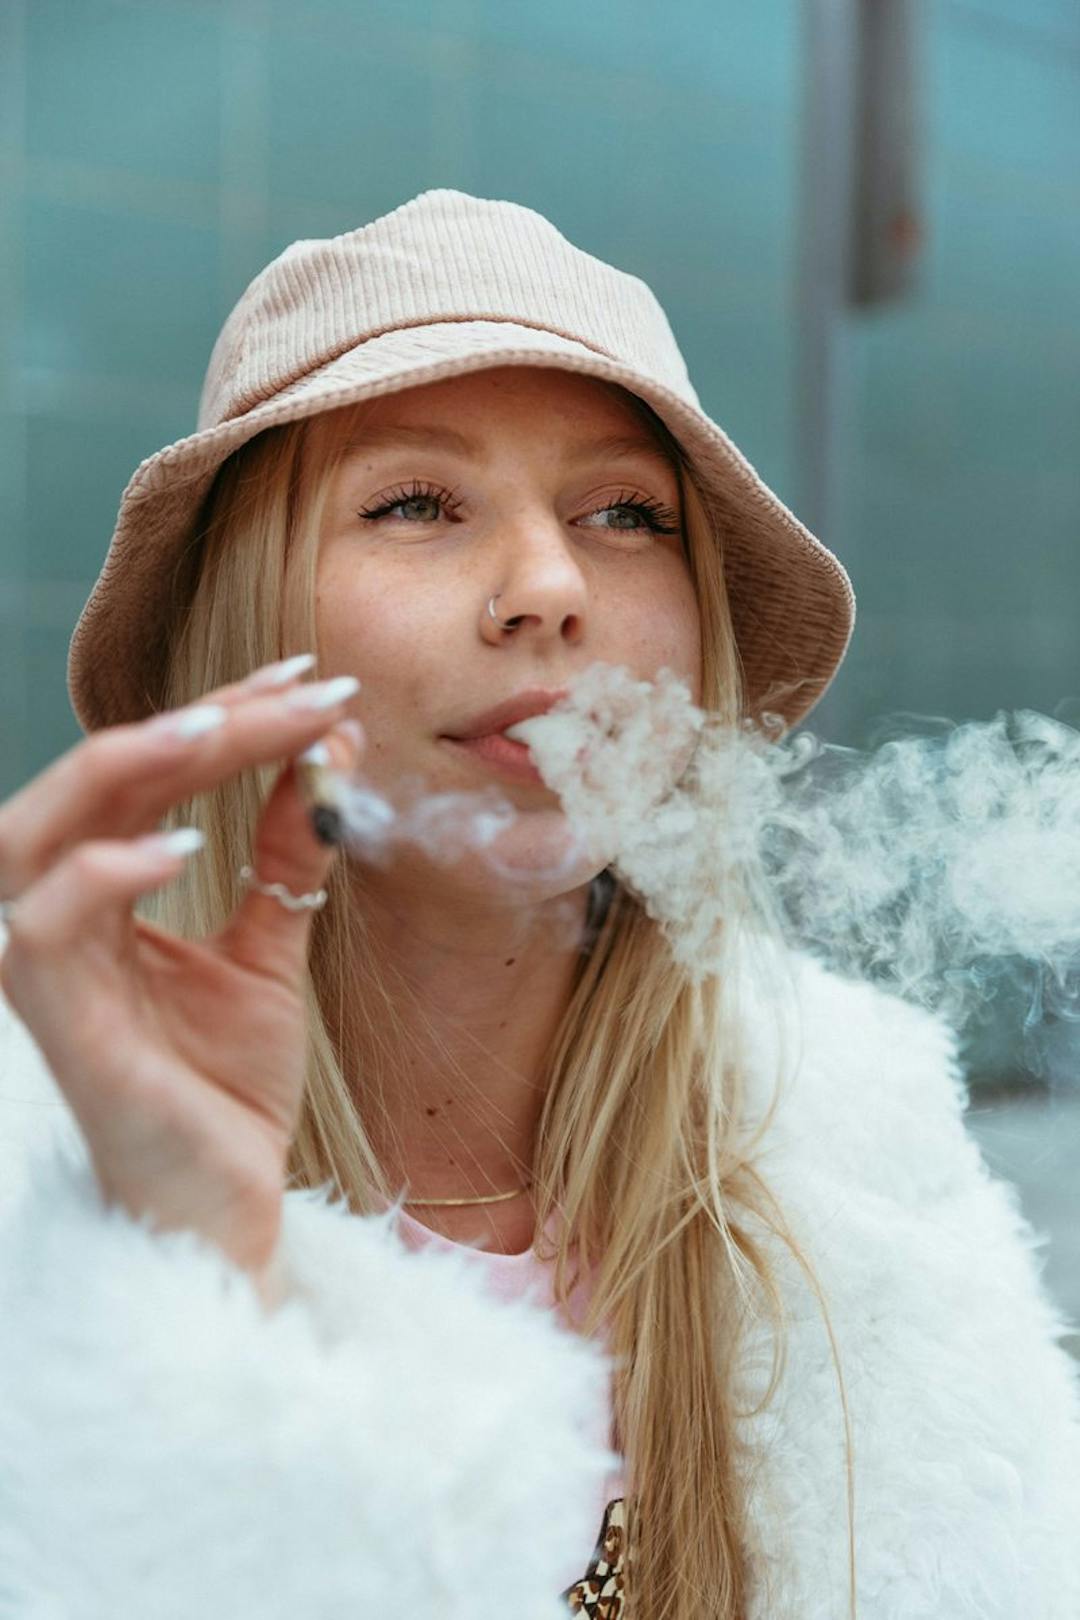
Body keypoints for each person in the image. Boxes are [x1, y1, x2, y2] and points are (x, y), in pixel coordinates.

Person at [0, 189, 1077, 1620]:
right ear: (247, 634)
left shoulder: (861, 1168)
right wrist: (195, 1266)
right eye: (418, 503)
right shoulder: (45, 1176)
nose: (552, 588)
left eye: (627, 515)